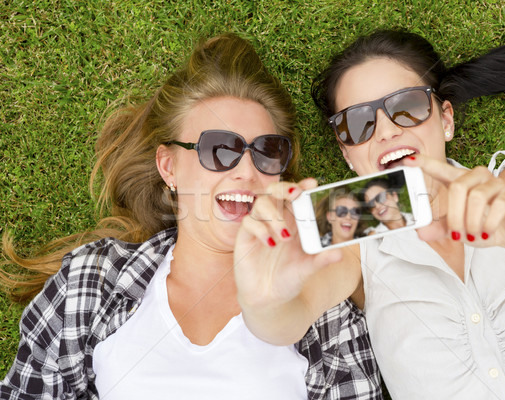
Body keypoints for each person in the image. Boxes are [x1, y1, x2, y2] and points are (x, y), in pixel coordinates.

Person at [234, 0, 505, 399]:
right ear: (348, 154)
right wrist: (263, 301)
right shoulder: (355, 248)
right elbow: (290, 316)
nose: (386, 131)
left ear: (445, 119)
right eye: (358, 123)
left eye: (406, 106)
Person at [0, 33, 382, 399]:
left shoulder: (323, 307)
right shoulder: (92, 281)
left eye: (267, 151)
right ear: (168, 167)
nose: (247, 171)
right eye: (219, 149)